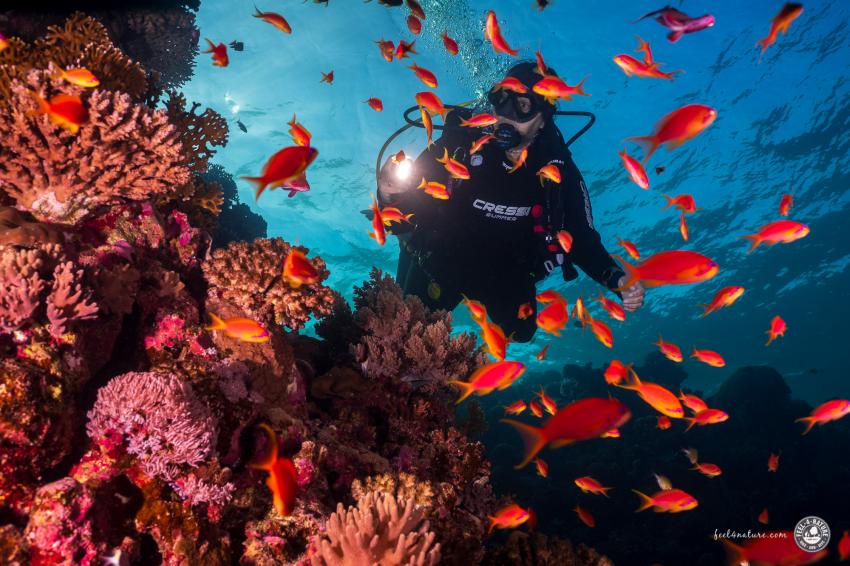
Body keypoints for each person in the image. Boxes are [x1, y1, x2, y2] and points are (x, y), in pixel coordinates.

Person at [377, 61, 645, 342]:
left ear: (544, 117)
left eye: (523, 106)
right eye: (500, 101)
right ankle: (409, 251)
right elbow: (402, 211)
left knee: (522, 333)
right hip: (443, 258)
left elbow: (580, 236)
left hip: (507, 270)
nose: (507, 116)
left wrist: (614, 278)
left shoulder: (556, 168)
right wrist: (389, 194)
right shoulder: (460, 146)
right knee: (403, 327)